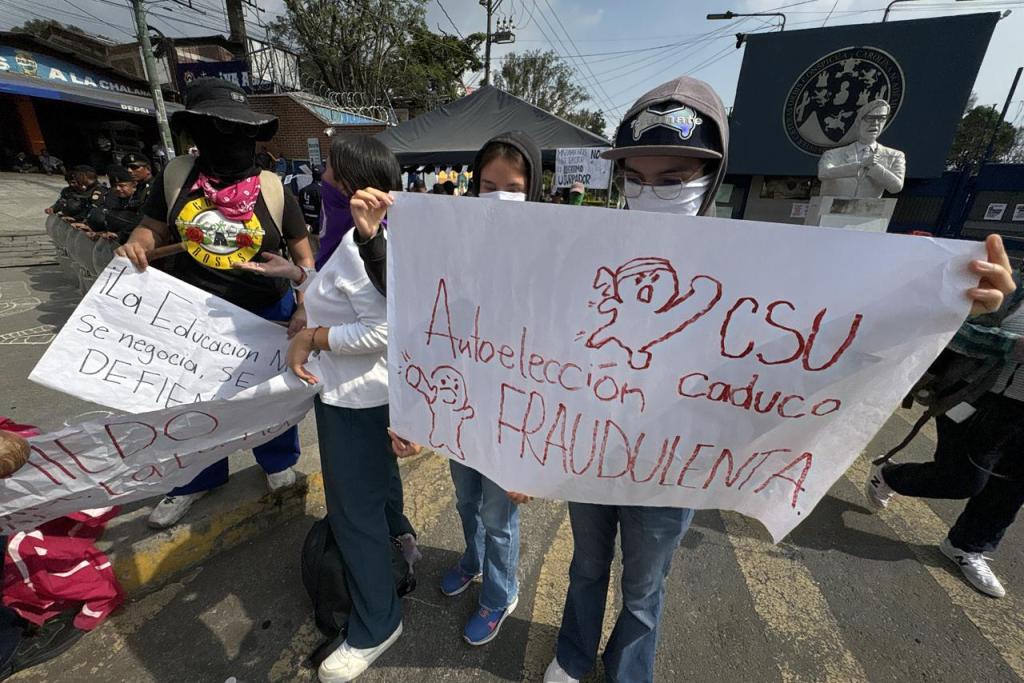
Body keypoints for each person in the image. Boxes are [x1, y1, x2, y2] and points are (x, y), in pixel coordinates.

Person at [536, 75, 1016, 683]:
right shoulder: (588, 248)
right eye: (633, 178)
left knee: (644, 584)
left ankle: (630, 671)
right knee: (585, 565)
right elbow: (520, 303)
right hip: (590, 446)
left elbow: (845, 330)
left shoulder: (761, 267)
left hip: (676, 466)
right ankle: (575, 659)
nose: (649, 193)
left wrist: (951, 303)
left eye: (673, 179)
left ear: (712, 177)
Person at [233, 135, 417, 683]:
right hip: (359, 395)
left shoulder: (368, 242)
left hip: (357, 398)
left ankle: (377, 624)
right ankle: (399, 549)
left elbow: (384, 329)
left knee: (352, 511)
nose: (320, 183)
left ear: (353, 183)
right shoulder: (350, 236)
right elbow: (344, 289)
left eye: (329, 173)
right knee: (377, 492)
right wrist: (295, 276)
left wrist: (311, 337)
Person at [115, 78, 316, 530]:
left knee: (270, 400)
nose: (232, 140)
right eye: (218, 130)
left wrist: (303, 306)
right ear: (197, 134)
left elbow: (304, 257)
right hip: (193, 319)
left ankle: (277, 461)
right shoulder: (174, 178)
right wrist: (137, 244)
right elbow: (151, 229)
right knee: (193, 406)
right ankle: (195, 479)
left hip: (267, 316)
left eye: (242, 132)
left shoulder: (272, 187)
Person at [866, 268, 1023, 598]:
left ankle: (966, 546)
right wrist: (1014, 347)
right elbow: (953, 330)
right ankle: (890, 475)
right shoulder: (1012, 284)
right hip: (977, 400)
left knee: (1011, 488)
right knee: (963, 478)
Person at [818, 99, 905, 198]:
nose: (875, 123)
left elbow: (896, 187)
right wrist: (860, 165)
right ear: (859, 121)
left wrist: (874, 168)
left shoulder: (894, 156)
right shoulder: (833, 154)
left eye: (881, 118)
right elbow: (824, 173)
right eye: (870, 118)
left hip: (867, 211)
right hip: (831, 211)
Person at [71, 165, 139, 244]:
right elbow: (103, 215)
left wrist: (118, 235)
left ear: (133, 185)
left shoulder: (140, 201)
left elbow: (138, 224)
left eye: (122, 186)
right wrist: (89, 227)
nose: (117, 189)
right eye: (114, 186)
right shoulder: (112, 198)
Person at [299, 167, 323, 236]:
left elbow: (300, 209)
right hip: (319, 228)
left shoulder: (303, 190)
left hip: (305, 226)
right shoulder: (323, 192)